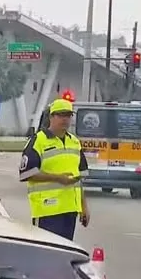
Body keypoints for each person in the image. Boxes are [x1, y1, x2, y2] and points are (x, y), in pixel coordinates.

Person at [19, 98, 90, 241]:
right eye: (60, 115)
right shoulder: (39, 140)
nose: (65, 119)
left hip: (70, 210)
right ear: (51, 117)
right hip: (47, 210)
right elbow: (25, 173)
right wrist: (57, 178)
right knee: (45, 254)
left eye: (68, 115)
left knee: (64, 253)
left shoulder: (74, 142)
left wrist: (84, 207)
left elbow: (78, 178)